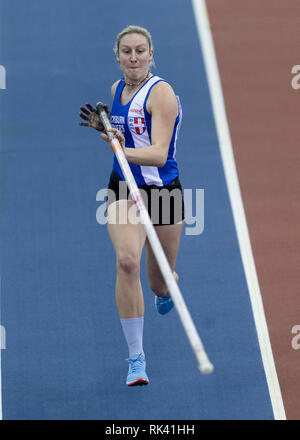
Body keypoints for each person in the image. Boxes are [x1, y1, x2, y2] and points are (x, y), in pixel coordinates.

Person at [79, 25, 184, 386]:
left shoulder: (163, 94)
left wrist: (120, 148)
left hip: (164, 194)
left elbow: (156, 154)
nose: (134, 57)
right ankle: (136, 359)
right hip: (123, 188)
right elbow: (120, 139)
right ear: (117, 55)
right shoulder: (116, 90)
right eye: (127, 51)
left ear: (151, 54)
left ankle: (167, 284)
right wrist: (106, 132)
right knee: (127, 262)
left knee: (158, 284)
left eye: (141, 50)